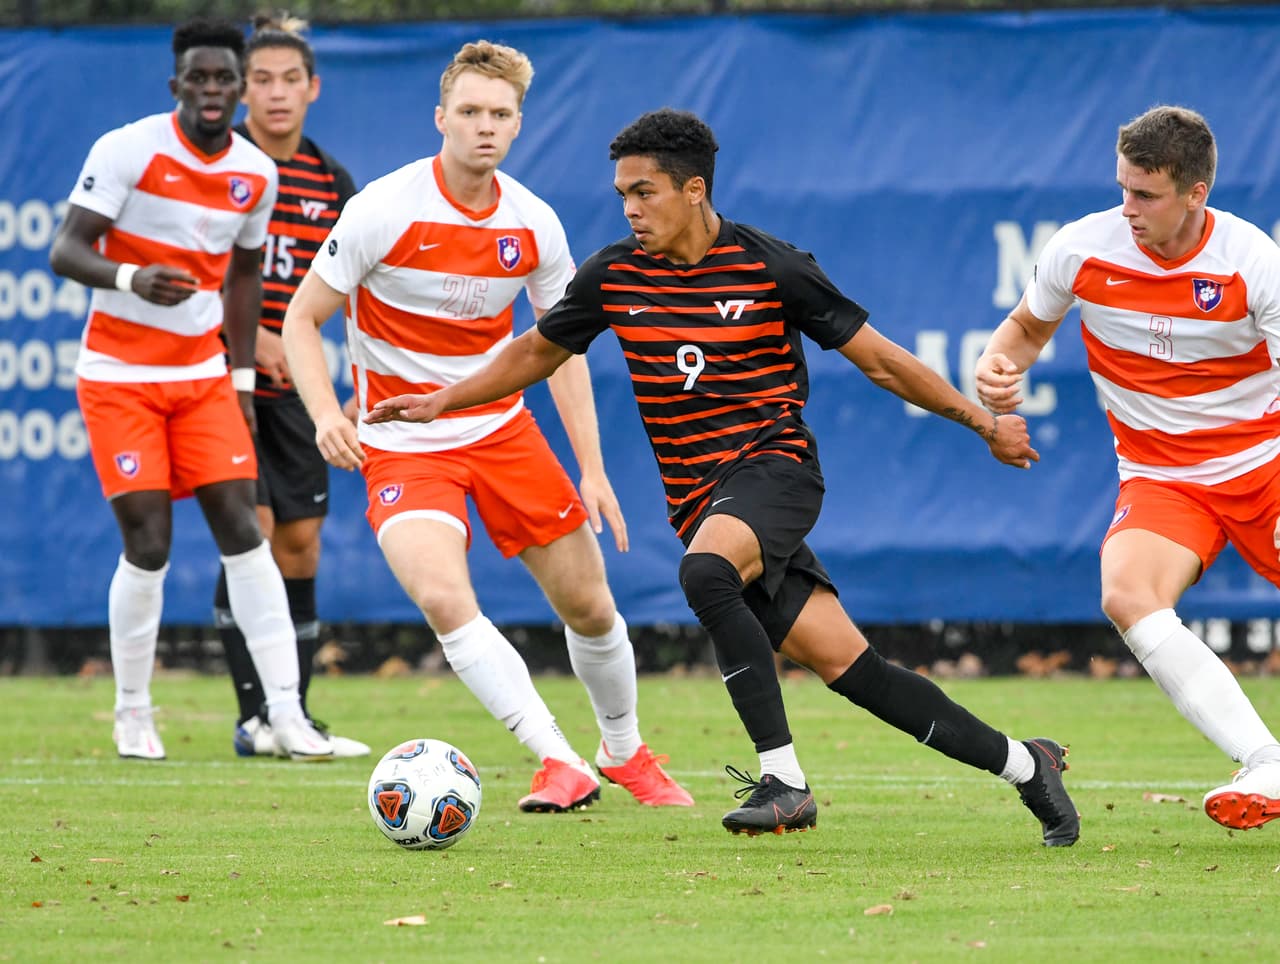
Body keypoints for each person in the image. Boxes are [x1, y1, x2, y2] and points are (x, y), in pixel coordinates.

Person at [362, 107, 1081, 845]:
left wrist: (983, 423)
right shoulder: (614, 274)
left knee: (705, 573)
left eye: (644, 192)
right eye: (622, 196)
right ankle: (1029, 766)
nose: (630, 209)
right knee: (854, 669)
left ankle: (785, 783)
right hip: (702, 500)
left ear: (694, 189)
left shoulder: (771, 265)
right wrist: (444, 399)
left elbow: (882, 359)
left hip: (777, 470)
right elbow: (534, 354)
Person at [281, 42, 693, 811]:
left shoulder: (533, 223)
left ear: (518, 124)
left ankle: (625, 752)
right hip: (400, 441)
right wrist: (322, 415)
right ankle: (557, 760)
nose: (484, 126)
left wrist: (592, 467)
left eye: (500, 114)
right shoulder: (383, 208)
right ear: (440, 118)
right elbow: (303, 320)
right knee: (443, 596)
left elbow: (561, 349)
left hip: (502, 431)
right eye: (469, 111)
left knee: (592, 606)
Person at [976, 105, 1280, 832]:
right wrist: (998, 369)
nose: (1128, 208)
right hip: (1161, 477)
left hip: (1261, 465)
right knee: (1127, 592)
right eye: (1123, 189)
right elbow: (1025, 327)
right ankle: (1264, 763)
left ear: (1196, 194)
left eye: (1145, 195)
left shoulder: (1252, 261)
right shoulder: (1083, 248)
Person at [49, 16, 332, 762]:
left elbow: (245, 276)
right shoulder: (128, 149)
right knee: (149, 544)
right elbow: (65, 249)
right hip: (119, 375)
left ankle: (285, 717)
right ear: (176, 84)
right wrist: (129, 277)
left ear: (238, 91)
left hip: (201, 375)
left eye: (224, 80)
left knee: (246, 532)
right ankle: (133, 711)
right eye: (198, 79)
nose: (213, 91)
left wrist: (238, 377)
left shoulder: (255, 172)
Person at [211, 13, 368, 760]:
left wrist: (356, 379)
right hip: (223, 383)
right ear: (241, 92)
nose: (276, 94)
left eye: (290, 80)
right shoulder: (216, 165)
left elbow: (363, 290)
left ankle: (295, 715)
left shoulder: (332, 181)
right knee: (255, 535)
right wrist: (256, 337)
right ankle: (255, 718)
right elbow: (187, 271)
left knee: (301, 547)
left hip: (301, 395)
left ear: (314, 89)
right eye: (261, 80)